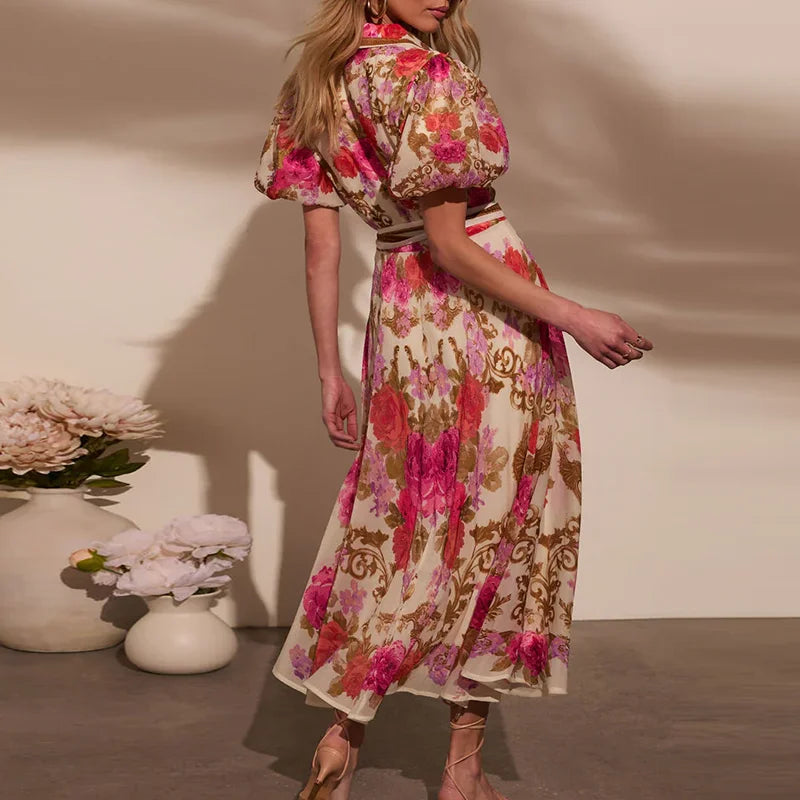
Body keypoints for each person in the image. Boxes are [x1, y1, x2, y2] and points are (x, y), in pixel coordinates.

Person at [253, 2, 654, 798]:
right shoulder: (435, 78)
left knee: (402, 519)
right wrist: (574, 316)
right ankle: (462, 771)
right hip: (484, 320)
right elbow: (450, 242)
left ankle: (341, 734)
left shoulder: (317, 86)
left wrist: (330, 368)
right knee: (497, 524)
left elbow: (322, 244)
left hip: (402, 324)